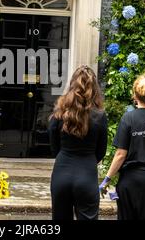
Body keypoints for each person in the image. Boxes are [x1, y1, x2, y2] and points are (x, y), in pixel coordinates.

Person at [100, 73, 145, 220]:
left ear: (135, 95)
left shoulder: (129, 118)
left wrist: (107, 179)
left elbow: (120, 154)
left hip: (132, 180)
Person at [48, 65, 108, 220]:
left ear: (72, 85)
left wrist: (63, 154)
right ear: (94, 88)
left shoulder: (59, 112)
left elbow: (54, 146)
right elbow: (101, 150)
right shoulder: (99, 116)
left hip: (62, 172)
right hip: (87, 174)